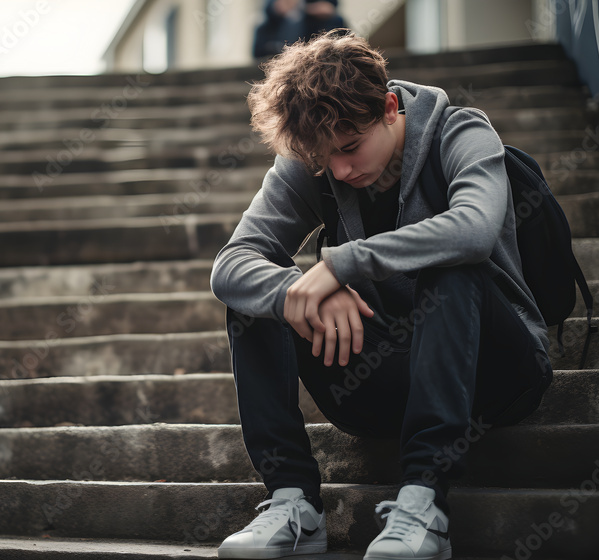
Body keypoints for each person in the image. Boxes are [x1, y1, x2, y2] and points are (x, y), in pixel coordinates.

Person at [210, 29, 552, 560]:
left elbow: (474, 228)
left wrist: (340, 264)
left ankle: (422, 506)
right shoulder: (317, 159)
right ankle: (293, 503)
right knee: (257, 297)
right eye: (326, 162)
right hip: (387, 380)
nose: (341, 170)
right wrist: (306, 291)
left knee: (453, 266)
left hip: (497, 370)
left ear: (390, 107)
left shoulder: (460, 132)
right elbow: (231, 264)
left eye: (349, 148)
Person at [254, 0, 347, 60]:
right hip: (283, 23)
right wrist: (279, 8)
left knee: (335, 20)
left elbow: (328, 7)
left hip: (314, 21)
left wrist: (307, 8)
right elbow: (271, 8)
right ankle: (289, 55)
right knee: (293, 19)